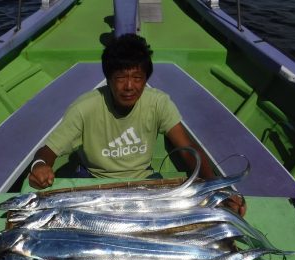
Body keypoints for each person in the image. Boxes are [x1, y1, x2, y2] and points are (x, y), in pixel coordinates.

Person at [28, 33, 246, 215]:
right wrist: (39, 166)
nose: (129, 86)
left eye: (137, 77)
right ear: (108, 78)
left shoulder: (158, 102)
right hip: (94, 180)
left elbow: (187, 148)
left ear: (146, 78)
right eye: (121, 78)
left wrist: (219, 187)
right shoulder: (85, 107)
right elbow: (48, 151)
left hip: (144, 180)